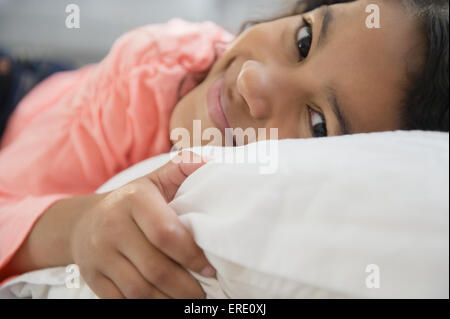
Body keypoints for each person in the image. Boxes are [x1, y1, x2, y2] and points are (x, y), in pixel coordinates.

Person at [0, 0, 448, 298]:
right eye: (304, 40)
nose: (253, 78)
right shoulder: (146, 79)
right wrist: (79, 226)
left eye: (317, 123)